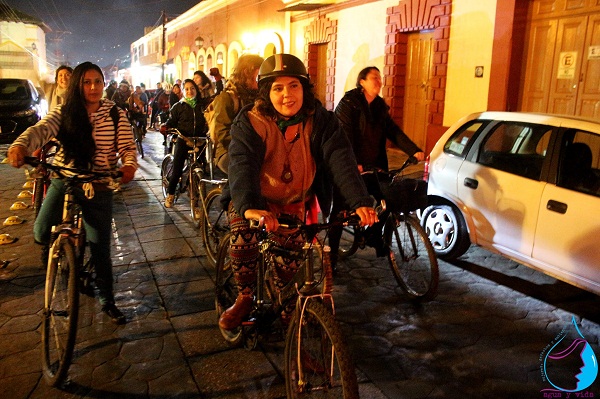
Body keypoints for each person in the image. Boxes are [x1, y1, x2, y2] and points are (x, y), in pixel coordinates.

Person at [217, 54, 378, 331]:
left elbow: (340, 157)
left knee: (288, 277)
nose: (287, 95)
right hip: (256, 200)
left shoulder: (322, 121)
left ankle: (296, 347)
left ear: (305, 88)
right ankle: (245, 296)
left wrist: (359, 201)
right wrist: (249, 205)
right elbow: (241, 162)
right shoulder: (251, 121)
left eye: (293, 86)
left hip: (295, 204)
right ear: (266, 92)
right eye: (277, 88)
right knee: (244, 235)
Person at [6, 62, 138, 324]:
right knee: (41, 230)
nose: (93, 87)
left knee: (100, 248)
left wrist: (129, 165)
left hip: (99, 184)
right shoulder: (64, 111)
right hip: (65, 178)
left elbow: (126, 146)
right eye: (87, 82)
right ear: (77, 84)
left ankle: (107, 300)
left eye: (98, 82)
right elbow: (41, 130)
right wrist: (20, 146)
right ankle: (64, 257)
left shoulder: (115, 114)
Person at [328, 66, 425, 269]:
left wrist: (413, 150)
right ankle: (332, 259)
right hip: (348, 165)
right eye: (374, 78)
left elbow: (393, 131)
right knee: (340, 211)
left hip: (375, 165)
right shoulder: (349, 104)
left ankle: (372, 236)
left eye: (380, 78)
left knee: (385, 201)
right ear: (362, 82)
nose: (379, 81)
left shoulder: (380, 107)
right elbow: (344, 135)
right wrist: (353, 162)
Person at [211, 54, 264, 173]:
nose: (262, 78)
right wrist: (247, 146)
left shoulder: (260, 96)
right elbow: (222, 133)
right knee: (247, 171)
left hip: (256, 150)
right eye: (259, 73)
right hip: (228, 151)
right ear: (247, 72)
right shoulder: (227, 97)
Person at [161, 79, 207, 210]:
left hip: (199, 140)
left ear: (196, 90)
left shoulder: (201, 106)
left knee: (201, 168)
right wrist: (166, 126)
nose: (190, 91)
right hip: (183, 139)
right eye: (186, 89)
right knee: (177, 169)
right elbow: (171, 121)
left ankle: (196, 199)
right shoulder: (178, 106)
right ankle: (170, 194)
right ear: (183, 91)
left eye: (192, 88)